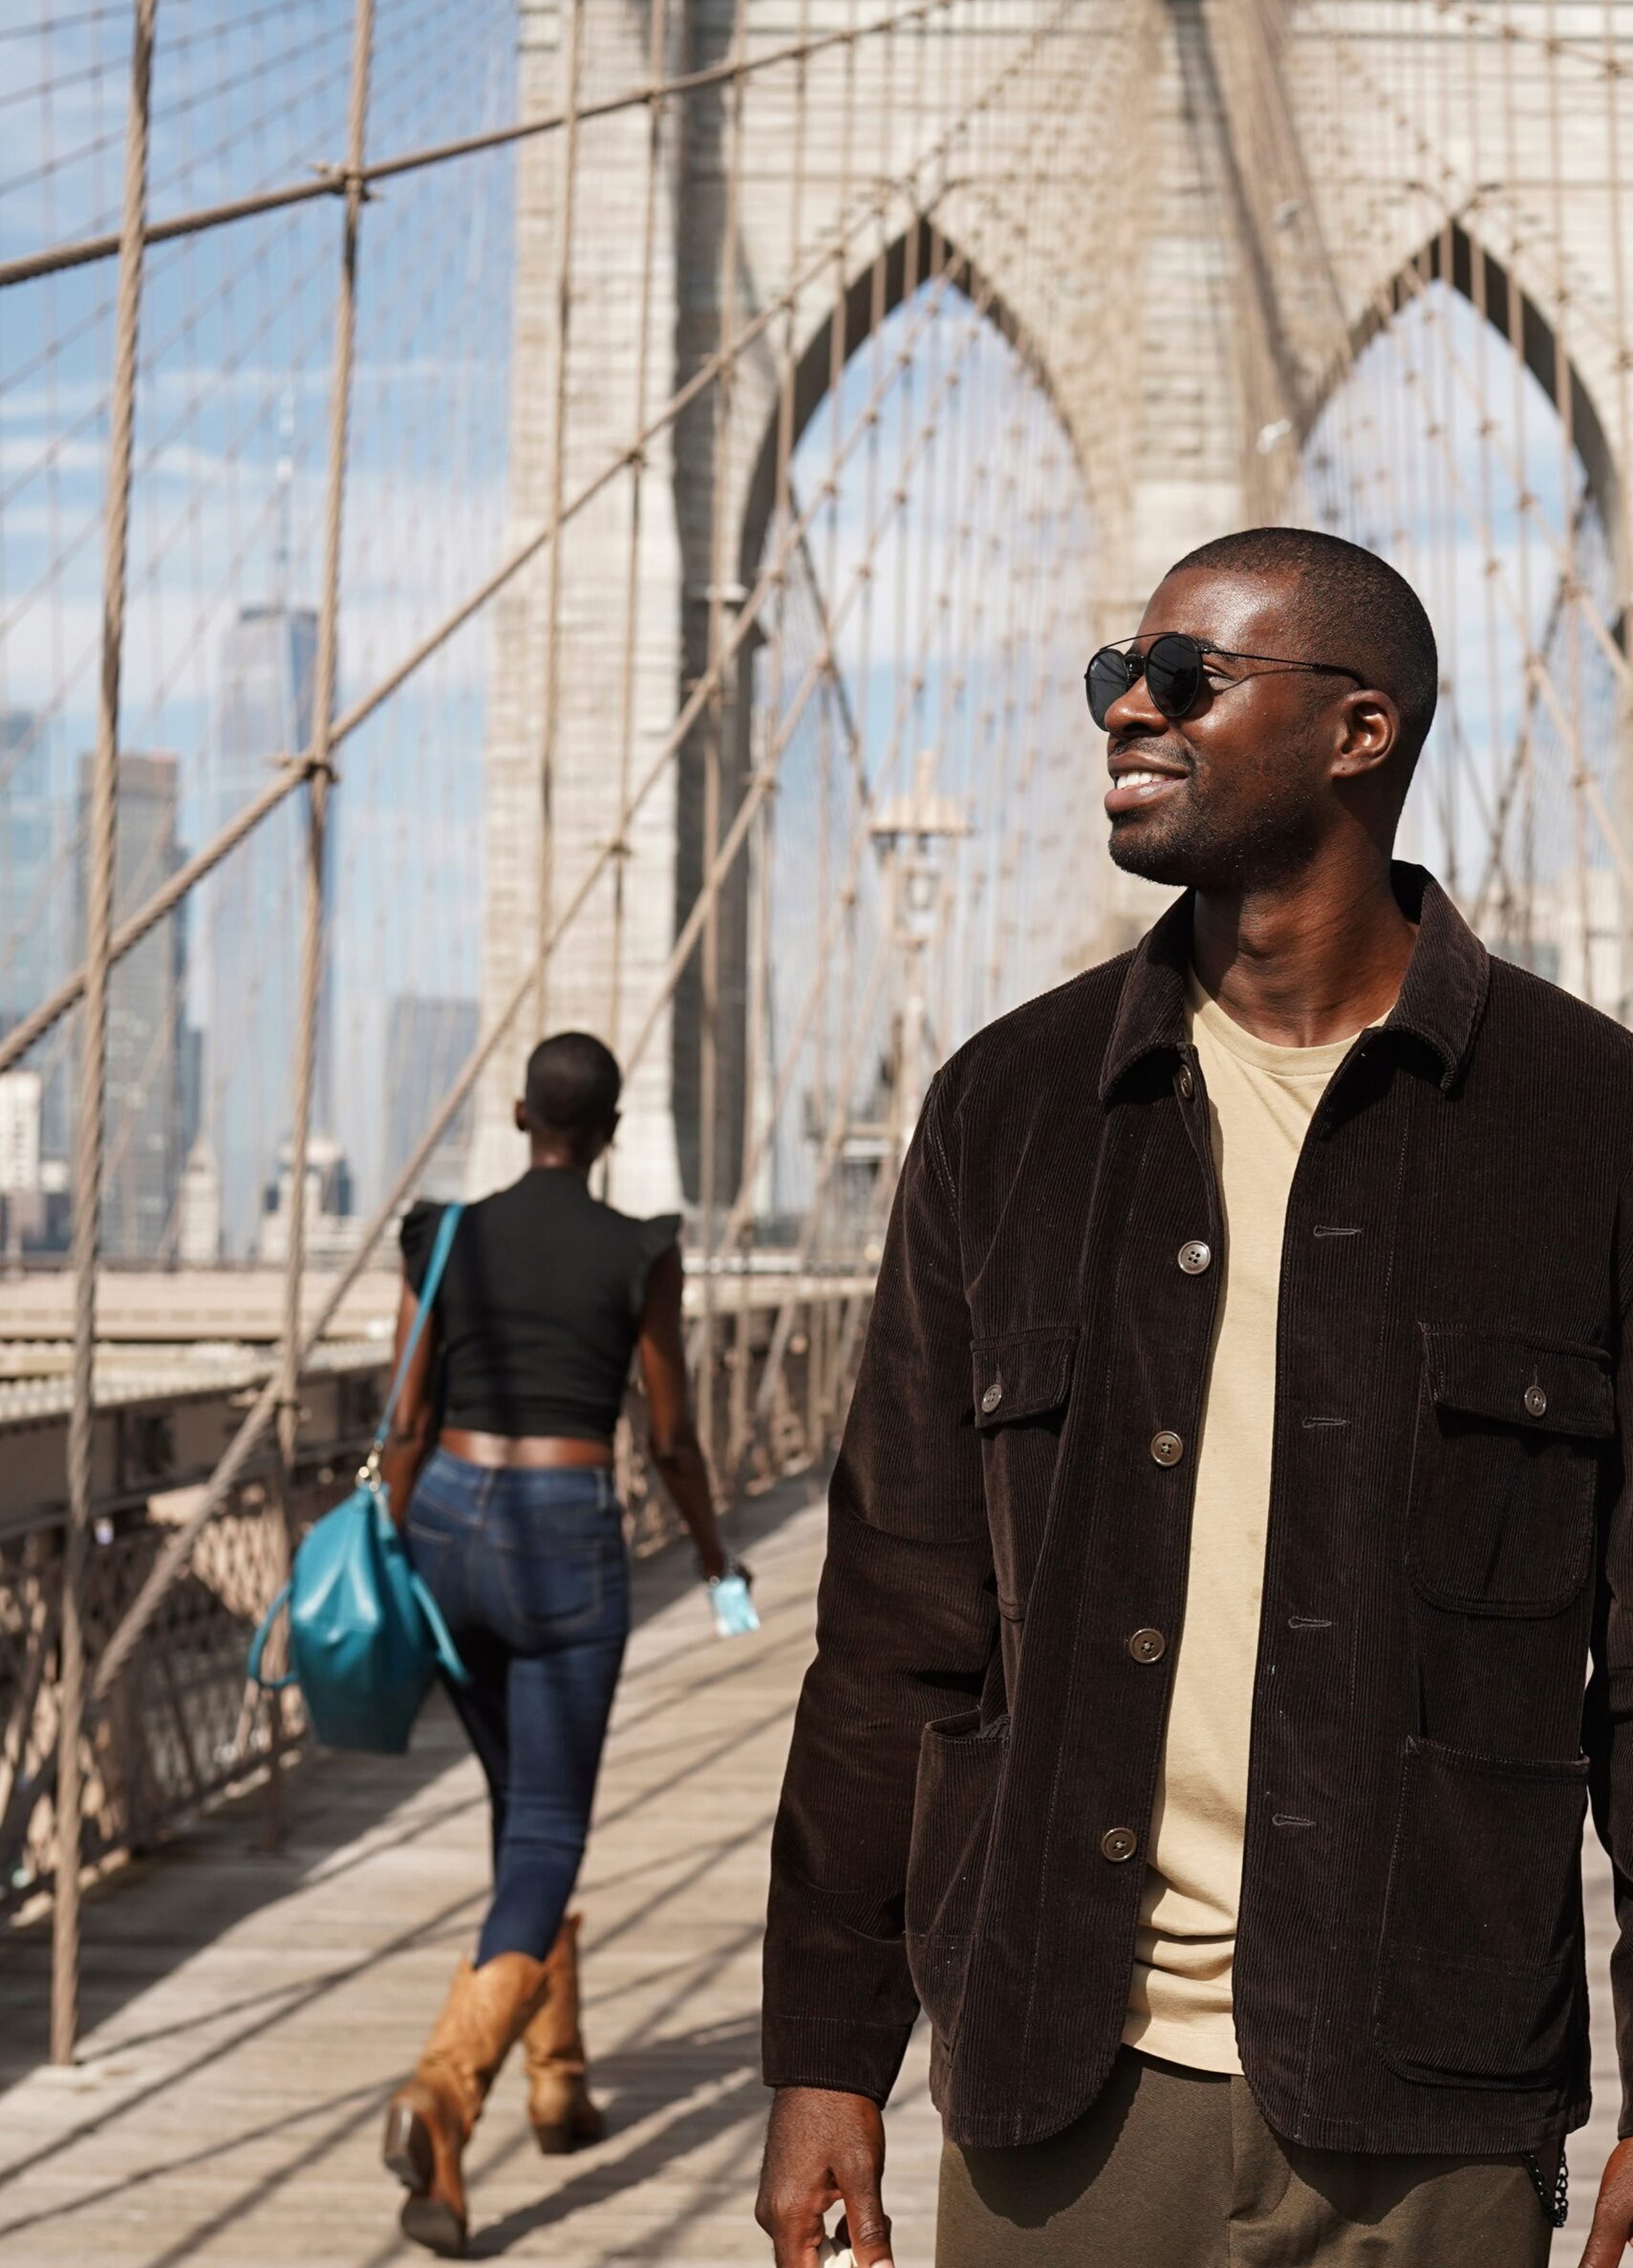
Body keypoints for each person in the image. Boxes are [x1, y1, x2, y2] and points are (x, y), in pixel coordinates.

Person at [756, 527, 1633, 2268]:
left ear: (1355, 732)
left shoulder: (1584, 1126)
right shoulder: (1004, 1114)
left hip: (1429, 2084)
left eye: (1181, 677)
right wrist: (823, 2058)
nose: (1120, 712)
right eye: (1111, 675)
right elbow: (894, 1626)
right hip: (1057, 2082)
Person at [378, 1030, 737, 2257]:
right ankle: (443, 2091)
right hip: (562, 1529)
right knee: (545, 1827)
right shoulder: (642, 1250)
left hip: (445, 1526)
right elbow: (672, 1434)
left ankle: (558, 2082)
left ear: (522, 1109)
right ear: (614, 1127)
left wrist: (398, 1545)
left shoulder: (441, 1234)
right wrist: (711, 1550)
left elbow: (406, 1415)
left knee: (518, 1806)